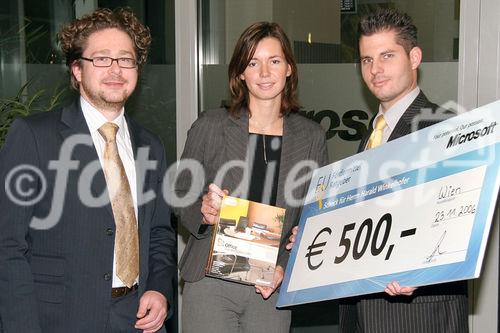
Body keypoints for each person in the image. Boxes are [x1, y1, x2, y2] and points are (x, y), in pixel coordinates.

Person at [288, 8, 468, 333]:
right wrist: (319, 238)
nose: (375, 69)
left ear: (414, 57)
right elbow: (368, 224)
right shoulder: (372, 134)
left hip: (417, 317)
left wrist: (422, 274)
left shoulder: (442, 128)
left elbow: (460, 222)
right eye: (366, 60)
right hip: (360, 314)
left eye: (387, 55)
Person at [0, 8, 176, 333]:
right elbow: (8, 246)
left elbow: (160, 233)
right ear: (77, 69)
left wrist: (159, 289)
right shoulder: (34, 136)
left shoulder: (150, 145)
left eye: (126, 59)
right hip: (62, 318)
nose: (115, 69)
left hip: (138, 319)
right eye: (102, 59)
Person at [174, 22, 329, 332]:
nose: (264, 72)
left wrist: (284, 267)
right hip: (211, 279)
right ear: (240, 73)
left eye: (274, 61)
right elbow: (180, 193)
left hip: (269, 284)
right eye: (253, 63)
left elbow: (315, 213)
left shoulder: (311, 137)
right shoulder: (211, 125)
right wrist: (202, 212)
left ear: (288, 69)